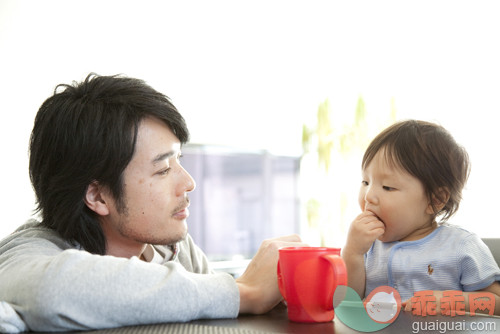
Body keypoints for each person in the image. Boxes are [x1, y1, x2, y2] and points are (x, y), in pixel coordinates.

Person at [0, 74, 305, 332]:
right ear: (97, 196)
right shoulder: (28, 253)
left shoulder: (174, 248)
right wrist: (243, 292)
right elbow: (49, 292)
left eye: (179, 160)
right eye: (162, 170)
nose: (189, 183)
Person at [342, 120, 500, 314]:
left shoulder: (461, 246)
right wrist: (352, 253)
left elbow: (496, 303)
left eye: (388, 187)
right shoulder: (366, 246)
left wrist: (451, 301)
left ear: (435, 199)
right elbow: (346, 304)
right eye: (365, 182)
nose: (369, 196)